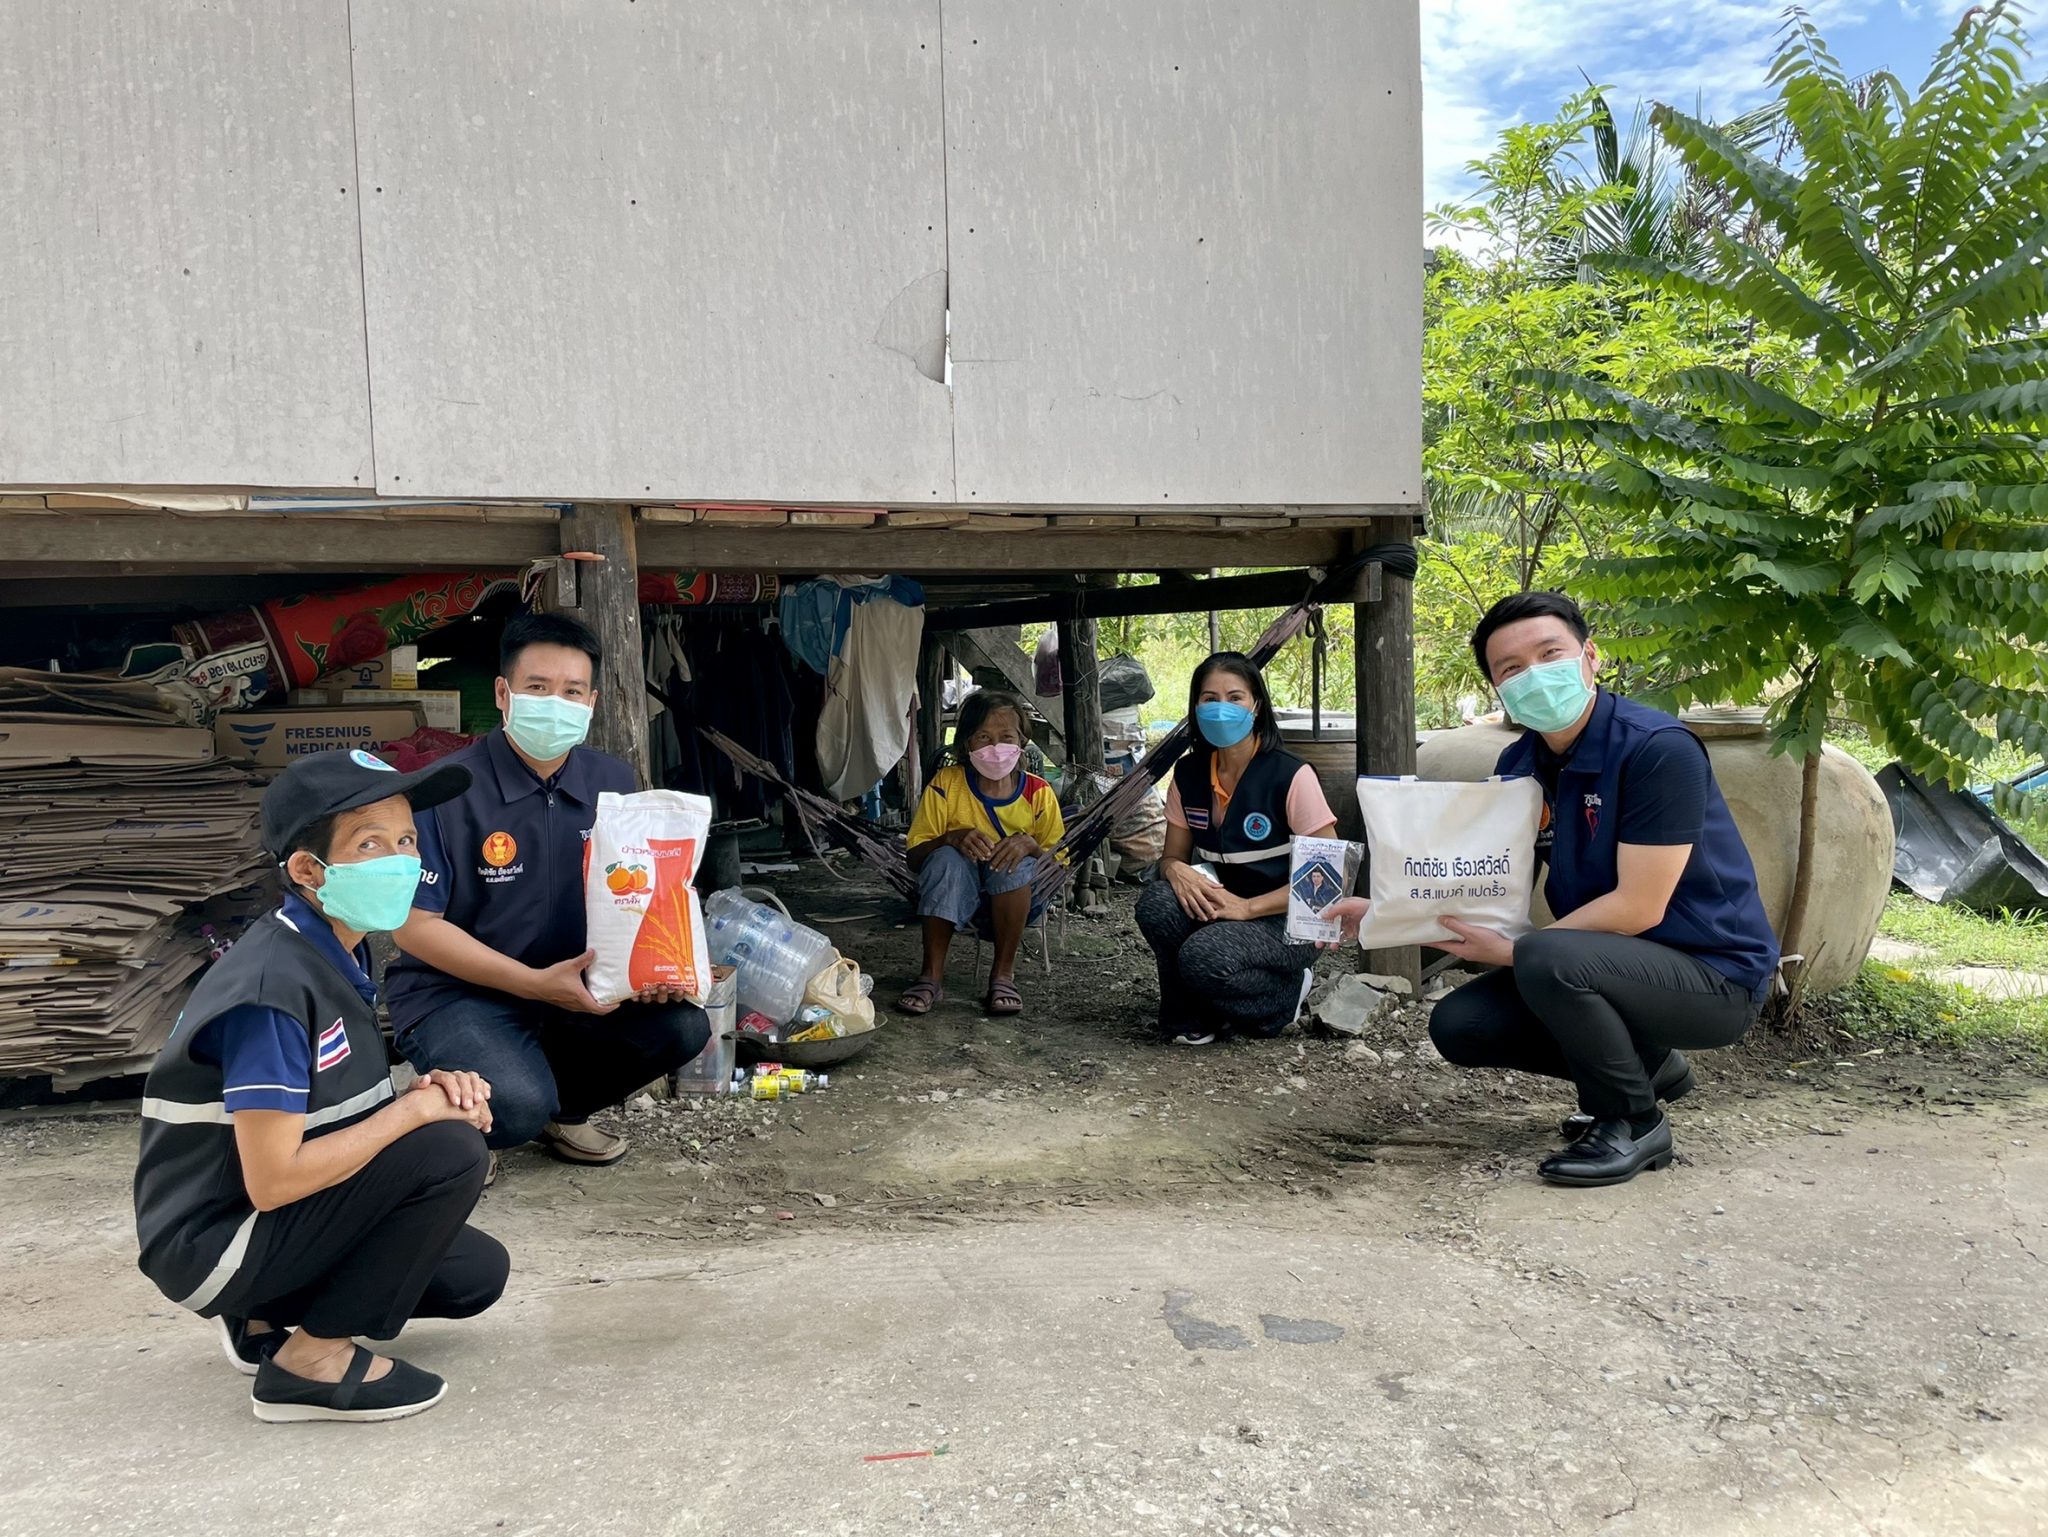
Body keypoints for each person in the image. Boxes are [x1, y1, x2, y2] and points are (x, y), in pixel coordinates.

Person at [1339, 591, 1780, 1187]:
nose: (1534, 675)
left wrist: (1521, 950)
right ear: (1498, 688)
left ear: (1590, 656)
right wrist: (1386, 911)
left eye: (1551, 654)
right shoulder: (1522, 764)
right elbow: (1482, 885)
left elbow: (1639, 906)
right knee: (1460, 1024)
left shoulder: (1657, 751)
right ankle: (1648, 1068)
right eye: (1512, 669)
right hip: (1617, 965)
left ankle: (1634, 1120)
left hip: (1714, 977)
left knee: (1546, 955)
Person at [134, 749, 508, 1423]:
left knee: (474, 1273)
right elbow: (274, 1180)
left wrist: (422, 1091)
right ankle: (310, 1362)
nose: (399, 860)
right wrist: (417, 1115)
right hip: (216, 1241)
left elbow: (324, 1108)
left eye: (406, 840)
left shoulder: (334, 945)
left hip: (250, 1220)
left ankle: (257, 1315)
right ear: (308, 870)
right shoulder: (273, 989)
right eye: (370, 843)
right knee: (451, 1149)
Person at [387, 614, 708, 1173]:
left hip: (573, 986)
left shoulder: (613, 781)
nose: (554, 702)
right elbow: (413, 926)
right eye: (537, 688)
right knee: (514, 1108)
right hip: (459, 995)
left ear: (592, 702)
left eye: (571, 691)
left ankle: (565, 1112)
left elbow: (639, 897)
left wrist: (655, 968)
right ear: (503, 693)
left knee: (681, 1027)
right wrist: (535, 985)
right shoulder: (445, 788)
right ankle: (458, 1121)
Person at [1137, 652, 1339, 1046]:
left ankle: (1281, 1001)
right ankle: (1190, 1019)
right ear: (1195, 707)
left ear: (1257, 705)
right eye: (1209, 699)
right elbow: (1172, 857)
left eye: (1235, 698)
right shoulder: (1189, 773)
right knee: (1157, 904)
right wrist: (1174, 869)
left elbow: (1327, 884)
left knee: (1203, 956)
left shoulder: (1291, 774)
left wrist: (1247, 909)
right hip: (1224, 905)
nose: (1221, 709)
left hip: (1287, 920)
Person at [897, 690, 1065, 1018]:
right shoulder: (946, 784)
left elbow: (1059, 863)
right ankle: (931, 976)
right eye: (983, 737)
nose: (995, 748)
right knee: (944, 859)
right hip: (955, 892)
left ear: (1021, 744)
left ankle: (1003, 976)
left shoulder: (1038, 793)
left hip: (1019, 898)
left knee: (1015, 863)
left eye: (1006, 737)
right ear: (966, 745)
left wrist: (1031, 845)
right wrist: (950, 838)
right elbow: (915, 857)